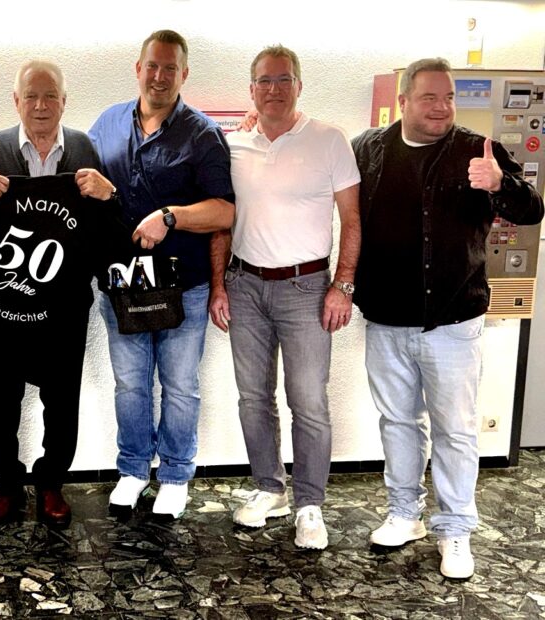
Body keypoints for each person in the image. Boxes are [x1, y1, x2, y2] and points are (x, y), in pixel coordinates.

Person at [352, 58, 542, 578]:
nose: (442, 107)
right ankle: (404, 513)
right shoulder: (368, 148)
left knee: (455, 430)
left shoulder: (476, 150)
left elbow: (532, 210)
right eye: (429, 97)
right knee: (397, 422)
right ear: (404, 101)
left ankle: (455, 530)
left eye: (449, 97)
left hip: (454, 321)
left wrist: (500, 183)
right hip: (386, 318)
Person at [0, 60, 120, 525]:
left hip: (65, 308)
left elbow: (106, 228)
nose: (40, 105)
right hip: (4, 305)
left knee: (61, 403)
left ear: (64, 100)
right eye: (31, 96)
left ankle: (51, 486)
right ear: (16, 101)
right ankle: (6, 487)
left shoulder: (83, 148)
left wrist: (109, 194)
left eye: (50, 96)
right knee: (1, 401)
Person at [208, 45, 360, 549]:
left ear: (299, 85)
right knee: (253, 398)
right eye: (265, 81)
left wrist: (343, 285)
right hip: (245, 286)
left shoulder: (329, 140)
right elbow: (222, 220)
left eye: (283, 79)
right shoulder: (233, 145)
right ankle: (269, 489)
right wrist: (218, 285)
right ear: (251, 89)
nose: (274, 89)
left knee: (309, 401)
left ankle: (309, 504)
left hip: (307, 288)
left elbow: (352, 220)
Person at [89, 30, 235, 518]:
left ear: (183, 74)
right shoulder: (107, 124)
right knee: (130, 384)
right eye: (152, 66)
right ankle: (133, 470)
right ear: (138, 68)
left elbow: (225, 211)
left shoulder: (203, 133)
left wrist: (170, 217)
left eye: (170, 68)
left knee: (179, 386)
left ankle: (174, 475)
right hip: (122, 284)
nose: (159, 76)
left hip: (184, 287)